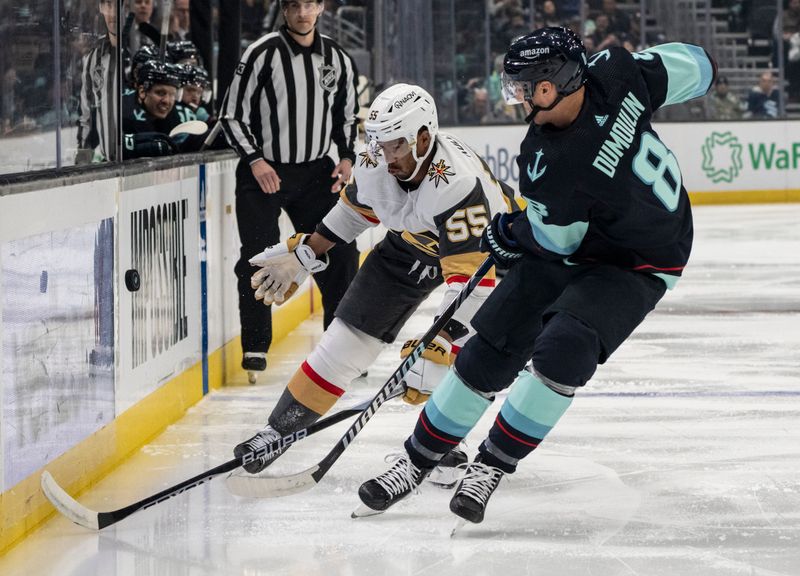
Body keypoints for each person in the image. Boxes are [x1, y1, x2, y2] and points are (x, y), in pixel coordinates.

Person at [358, 26, 716, 525]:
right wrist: (523, 232)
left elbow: (554, 240)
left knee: (564, 349)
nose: (519, 97)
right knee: (491, 345)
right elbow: (697, 65)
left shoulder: (554, 160)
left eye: (528, 87)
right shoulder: (614, 71)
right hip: (591, 236)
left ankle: (490, 465)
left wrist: (511, 234)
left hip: (638, 259)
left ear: (558, 82)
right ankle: (417, 458)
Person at [233, 83, 519, 474]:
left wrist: (444, 340)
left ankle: (443, 443)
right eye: (379, 144)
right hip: (412, 245)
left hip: (501, 252)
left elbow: (471, 286)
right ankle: (278, 430)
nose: (386, 157)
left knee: (454, 356)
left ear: (423, 137)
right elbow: (355, 211)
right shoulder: (374, 159)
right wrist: (308, 251)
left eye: (396, 146)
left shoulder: (456, 183)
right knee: (344, 340)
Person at [220, 0, 360, 383]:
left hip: (316, 172)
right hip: (263, 171)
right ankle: (255, 345)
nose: (302, 12)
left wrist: (346, 157)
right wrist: (255, 160)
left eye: (309, 4)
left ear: (321, 7)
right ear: (284, 10)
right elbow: (231, 115)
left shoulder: (337, 58)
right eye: (294, 4)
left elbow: (346, 115)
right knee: (257, 255)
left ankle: (340, 344)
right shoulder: (261, 54)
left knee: (341, 251)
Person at [76, 0, 120, 163]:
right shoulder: (93, 59)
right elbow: (85, 119)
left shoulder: (141, 54)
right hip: (110, 167)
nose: (113, 11)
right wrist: (81, 167)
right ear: (101, 8)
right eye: (109, 4)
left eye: (118, 4)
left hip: (144, 168)